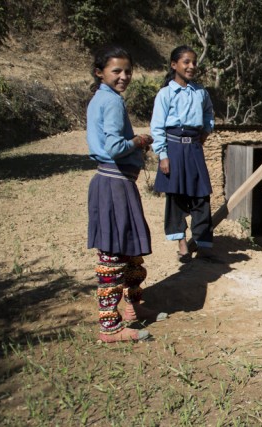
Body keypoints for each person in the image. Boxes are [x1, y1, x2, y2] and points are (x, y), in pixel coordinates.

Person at [87, 45, 167, 343]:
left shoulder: (103, 98)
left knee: (130, 250)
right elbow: (114, 148)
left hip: (116, 182)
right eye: (116, 71)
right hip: (113, 184)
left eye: (127, 71)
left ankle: (132, 309)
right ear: (100, 72)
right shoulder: (111, 103)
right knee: (112, 253)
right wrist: (140, 139)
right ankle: (109, 326)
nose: (123, 76)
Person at [150, 45, 215, 262]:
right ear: (174, 65)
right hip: (174, 148)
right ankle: (182, 244)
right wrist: (163, 155)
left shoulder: (201, 93)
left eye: (194, 62)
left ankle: (203, 243)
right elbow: (157, 127)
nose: (191, 66)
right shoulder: (165, 94)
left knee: (201, 195)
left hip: (194, 148)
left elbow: (208, 114)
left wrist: (205, 131)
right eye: (186, 62)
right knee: (176, 196)